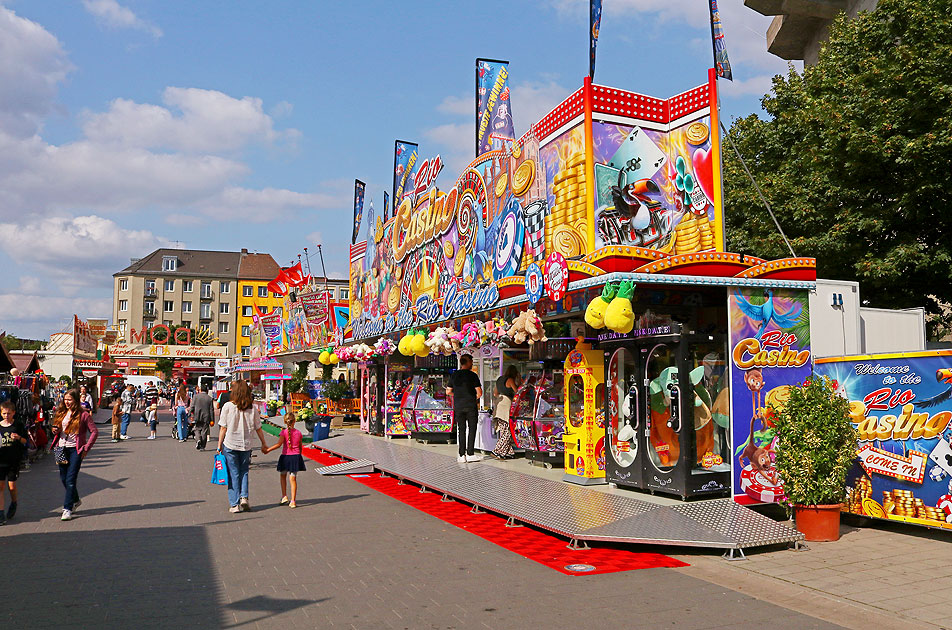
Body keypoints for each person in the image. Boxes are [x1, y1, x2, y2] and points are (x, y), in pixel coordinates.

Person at [217, 380, 269, 513]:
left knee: (233, 473)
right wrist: (263, 443)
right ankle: (244, 497)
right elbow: (258, 428)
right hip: (246, 444)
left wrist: (219, 446)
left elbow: (223, 427)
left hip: (230, 444)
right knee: (244, 471)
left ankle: (234, 504)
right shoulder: (252, 408)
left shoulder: (228, 406)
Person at [50, 389, 98, 521]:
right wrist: (54, 430)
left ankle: (67, 508)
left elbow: (94, 432)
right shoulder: (61, 412)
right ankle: (76, 499)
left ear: (76, 400)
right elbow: (56, 429)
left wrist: (86, 447)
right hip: (60, 448)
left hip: (75, 450)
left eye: (70, 400)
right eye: (65, 399)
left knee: (71, 479)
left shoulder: (84, 415)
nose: (67, 402)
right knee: (64, 479)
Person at [262, 412, 305, 508]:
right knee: (293, 478)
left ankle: (284, 496)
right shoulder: (298, 433)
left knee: (282, 475)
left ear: (285, 422)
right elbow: (300, 446)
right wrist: (299, 455)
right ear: (295, 421)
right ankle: (293, 501)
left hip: (285, 456)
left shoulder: (284, 432)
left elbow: (278, 444)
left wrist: (268, 450)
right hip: (295, 457)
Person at [446, 354, 483, 463]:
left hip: (458, 406)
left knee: (461, 430)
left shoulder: (454, 375)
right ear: (467, 362)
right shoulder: (473, 375)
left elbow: (448, 391)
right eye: (471, 361)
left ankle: (461, 455)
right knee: (472, 429)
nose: (471, 364)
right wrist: (471, 397)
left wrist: (458, 395)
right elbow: (479, 393)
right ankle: (470, 453)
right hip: (471, 406)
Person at [0, 401, 27, 524]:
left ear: (14, 413)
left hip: (13, 461)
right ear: (1, 413)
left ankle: (14, 502)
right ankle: (1, 514)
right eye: (4, 413)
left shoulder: (18, 425)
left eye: (9, 413)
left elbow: (25, 441)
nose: (6, 416)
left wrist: (18, 438)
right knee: (0, 487)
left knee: (12, 486)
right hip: (0, 461)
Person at [491, 366, 521, 460]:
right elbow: (517, 392)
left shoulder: (500, 379)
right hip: (506, 405)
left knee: (503, 430)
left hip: (499, 405)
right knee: (507, 431)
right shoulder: (510, 380)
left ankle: (509, 452)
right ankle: (496, 451)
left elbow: (495, 393)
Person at [189, 385, 215, 451]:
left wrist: (189, 414)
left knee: (197, 429)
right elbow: (211, 410)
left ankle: (198, 439)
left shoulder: (196, 397)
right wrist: (212, 420)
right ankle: (202, 446)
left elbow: (192, 406)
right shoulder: (209, 398)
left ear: (200, 390)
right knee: (204, 431)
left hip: (197, 416)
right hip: (206, 417)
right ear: (207, 390)